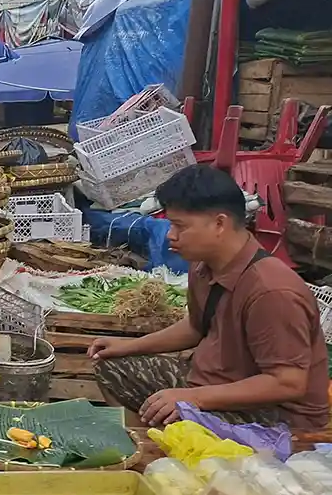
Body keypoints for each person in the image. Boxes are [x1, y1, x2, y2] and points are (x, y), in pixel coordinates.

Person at [92, 165, 329, 429]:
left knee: (177, 414)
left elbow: (287, 383)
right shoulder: (203, 264)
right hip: (213, 383)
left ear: (219, 224)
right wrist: (127, 345)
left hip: (276, 417)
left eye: (180, 226)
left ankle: (171, 447)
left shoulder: (272, 292)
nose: (170, 235)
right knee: (113, 367)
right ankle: (152, 443)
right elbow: (195, 326)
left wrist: (193, 398)